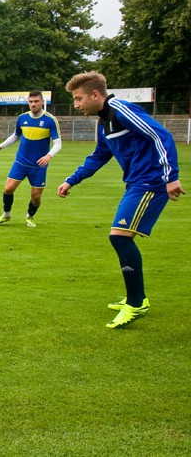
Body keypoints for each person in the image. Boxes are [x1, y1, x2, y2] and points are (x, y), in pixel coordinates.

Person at [58, 71, 185, 329]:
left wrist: (171, 176)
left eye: (79, 98)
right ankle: (136, 298)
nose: (76, 105)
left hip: (151, 182)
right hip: (137, 183)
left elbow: (162, 136)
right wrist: (72, 179)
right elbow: (99, 156)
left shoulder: (120, 109)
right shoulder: (104, 122)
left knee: (119, 236)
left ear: (95, 94)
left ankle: (137, 302)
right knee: (121, 237)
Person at [0, 90, 62, 227]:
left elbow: (58, 143)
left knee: (36, 197)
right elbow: (16, 135)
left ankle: (30, 216)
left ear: (42, 102)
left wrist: (49, 155)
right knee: (8, 188)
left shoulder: (50, 120)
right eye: (30, 101)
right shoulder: (22, 118)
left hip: (39, 165)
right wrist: (0, 147)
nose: (33, 104)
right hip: (21, 162)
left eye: (36, 101)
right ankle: (6, 215)